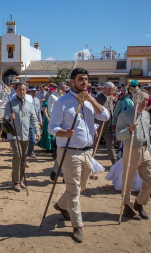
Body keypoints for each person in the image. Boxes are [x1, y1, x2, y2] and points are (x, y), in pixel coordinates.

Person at [48, 68, 109, 243]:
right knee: (74, 191)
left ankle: (60, 205)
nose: (84, 82)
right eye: (80, 79)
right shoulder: (63, 102)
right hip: (69, 152)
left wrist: (91, 99)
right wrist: (63, 132)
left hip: (88, 151)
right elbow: (52, 127)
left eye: (86, 79)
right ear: (72, 81)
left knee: (82, 186)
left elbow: (105, 116)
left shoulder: (90, 100)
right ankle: (77, 226)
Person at [115, 90, 151, 221]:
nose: (146, 102)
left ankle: (139, 203)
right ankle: (127, 206)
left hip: (145, 150)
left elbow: (146, 133)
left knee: (150, 181)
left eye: (147, 99)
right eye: (143, 99)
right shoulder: (125, 115)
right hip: (132, 150)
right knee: (128, 181)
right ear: (136, 99)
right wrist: (129, 130)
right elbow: (119, 134)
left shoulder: (146, 115)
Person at [5, 82, 40, 192]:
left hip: (26, 134)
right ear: (16, 91)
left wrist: (37, 131)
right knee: (17, 156)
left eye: (24, 90)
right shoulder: (10, 104)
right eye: (20, 90)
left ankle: (20, 180)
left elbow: (34, 119)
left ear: (26, 91)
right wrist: (10, 118)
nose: (22, 91)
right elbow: (4, 120)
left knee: (24, 158)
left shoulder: (30, 104)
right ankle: (15, 181)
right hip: (14, 134)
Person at [95, 82, 117, 164]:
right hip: (99, 125)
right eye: (110, 90)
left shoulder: (110, 98)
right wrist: (104, 110)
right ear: (105, 88)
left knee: (111, 144)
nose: (111, 92)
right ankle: (89, 162)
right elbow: (97, 111)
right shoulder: (99, 98)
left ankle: (114, 163)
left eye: (112, 90)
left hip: (108, 125)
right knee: (94, 144)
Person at [37, 87, 56, 155]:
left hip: (53, 118)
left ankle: (51, 147)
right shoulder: (46, 101)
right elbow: (44, 111)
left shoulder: (54, 101)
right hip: (48, 119)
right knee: (48, 133)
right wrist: (48, 119)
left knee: (52, 134)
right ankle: (48, 147)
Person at [27, 87, 42, 159]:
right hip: (27, 121)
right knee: (28, 138)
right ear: (29, 92)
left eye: (35, 92)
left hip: (34, 121)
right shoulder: (26, 100)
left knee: (33, 139)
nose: (34, 93)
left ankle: (31, 151)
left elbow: (38, 111)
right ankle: (29, 152)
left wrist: (40, 121)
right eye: (32, 92)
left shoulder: (37, 100)